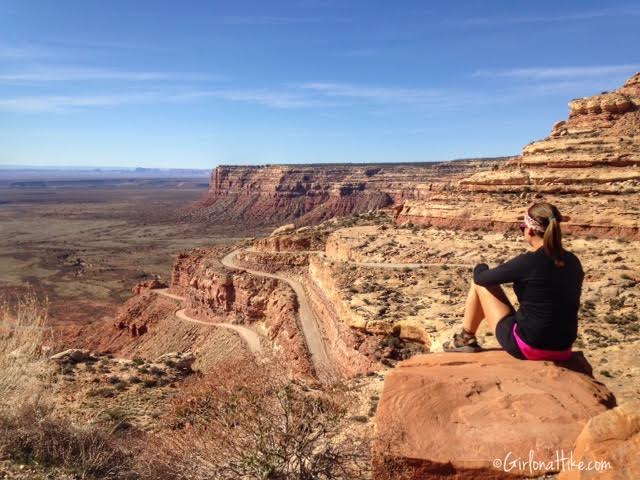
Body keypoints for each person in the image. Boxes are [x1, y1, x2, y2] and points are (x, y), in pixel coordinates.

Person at [443, 201, 584, 361]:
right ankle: (466, 338)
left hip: (530, 347)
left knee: (479, 285)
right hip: (563, 349)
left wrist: (480, 265)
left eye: (522, 227)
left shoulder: (528, 262)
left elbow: (481, 278)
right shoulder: (573, 261)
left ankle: (465, 339)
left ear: (530, 230)